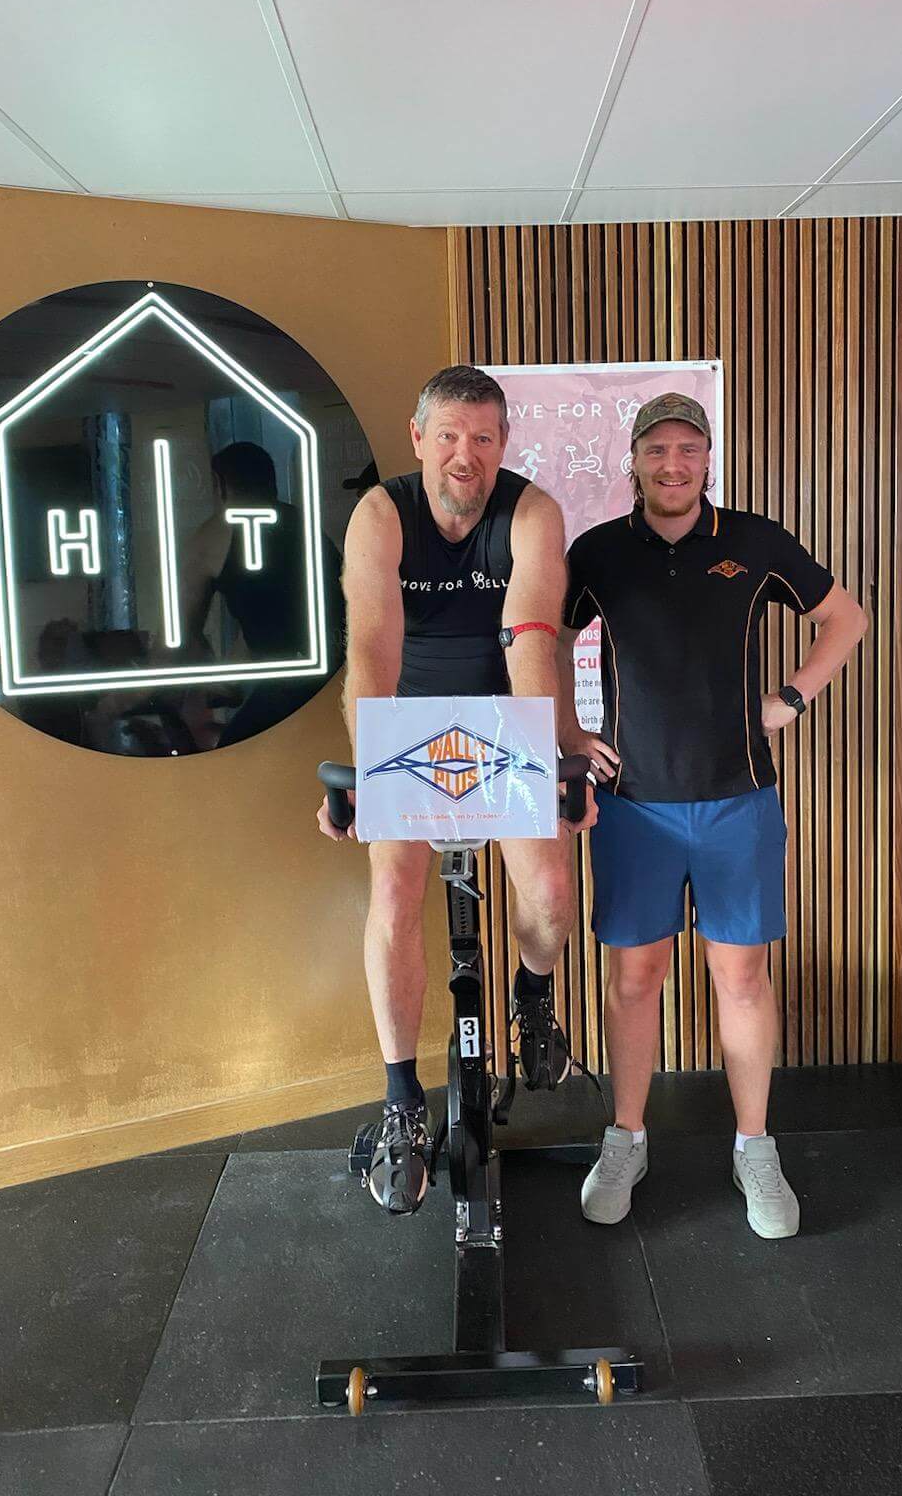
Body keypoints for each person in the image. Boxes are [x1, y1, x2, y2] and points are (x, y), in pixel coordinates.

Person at [557, 392, 868, 1239]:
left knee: (741, 978)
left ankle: (754, 1147)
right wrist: (570, 731)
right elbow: (543, 636)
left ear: (707, 459)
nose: (673, 464)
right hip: (633, 806)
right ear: (633, 461)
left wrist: (792, 697)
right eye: (657, 449)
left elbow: (845, 618)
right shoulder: (596, 552)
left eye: (687, 449)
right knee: (634, 980)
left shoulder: (754, 542)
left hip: (739, 798)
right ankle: (626, 1139)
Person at [317, 365, 593, 1215]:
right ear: (418, 438)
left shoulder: (531, 512)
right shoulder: (381, 514)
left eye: (481, 438)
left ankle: (532, 998)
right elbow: (373, 647)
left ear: (503, 442)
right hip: (406, 723)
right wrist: (370, 773)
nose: (464, 454)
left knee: (551, 892)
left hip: (502, 717)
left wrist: (548, 763)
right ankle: (402, 1101)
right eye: (448, 436)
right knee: (394, 895)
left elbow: (530, 637)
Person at [180, 441, 344, 746]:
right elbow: (268, 618)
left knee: (232, 756)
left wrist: (115, 705)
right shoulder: (301, 525)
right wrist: (227, 679)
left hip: (299, 680)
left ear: (220, 485)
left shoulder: (217, 535)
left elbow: (177, 639)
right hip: (335, 670)